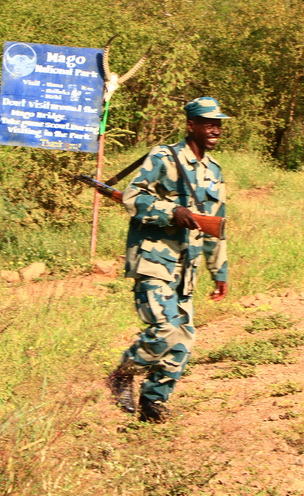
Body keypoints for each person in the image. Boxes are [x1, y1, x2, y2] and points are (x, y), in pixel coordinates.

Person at [107, 96, 231, 422]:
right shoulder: (164, 157)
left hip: (186, 268)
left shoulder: (213, 171)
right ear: (191, 125)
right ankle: (122, 373)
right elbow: (133, 196)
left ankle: (153, 404)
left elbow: (215, 225)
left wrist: (219, 272)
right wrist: (170, 211)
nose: (215, 128)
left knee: (182, 342)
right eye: (208, 123)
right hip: (154, 261)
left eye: (218, 123)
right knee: (164, 328)